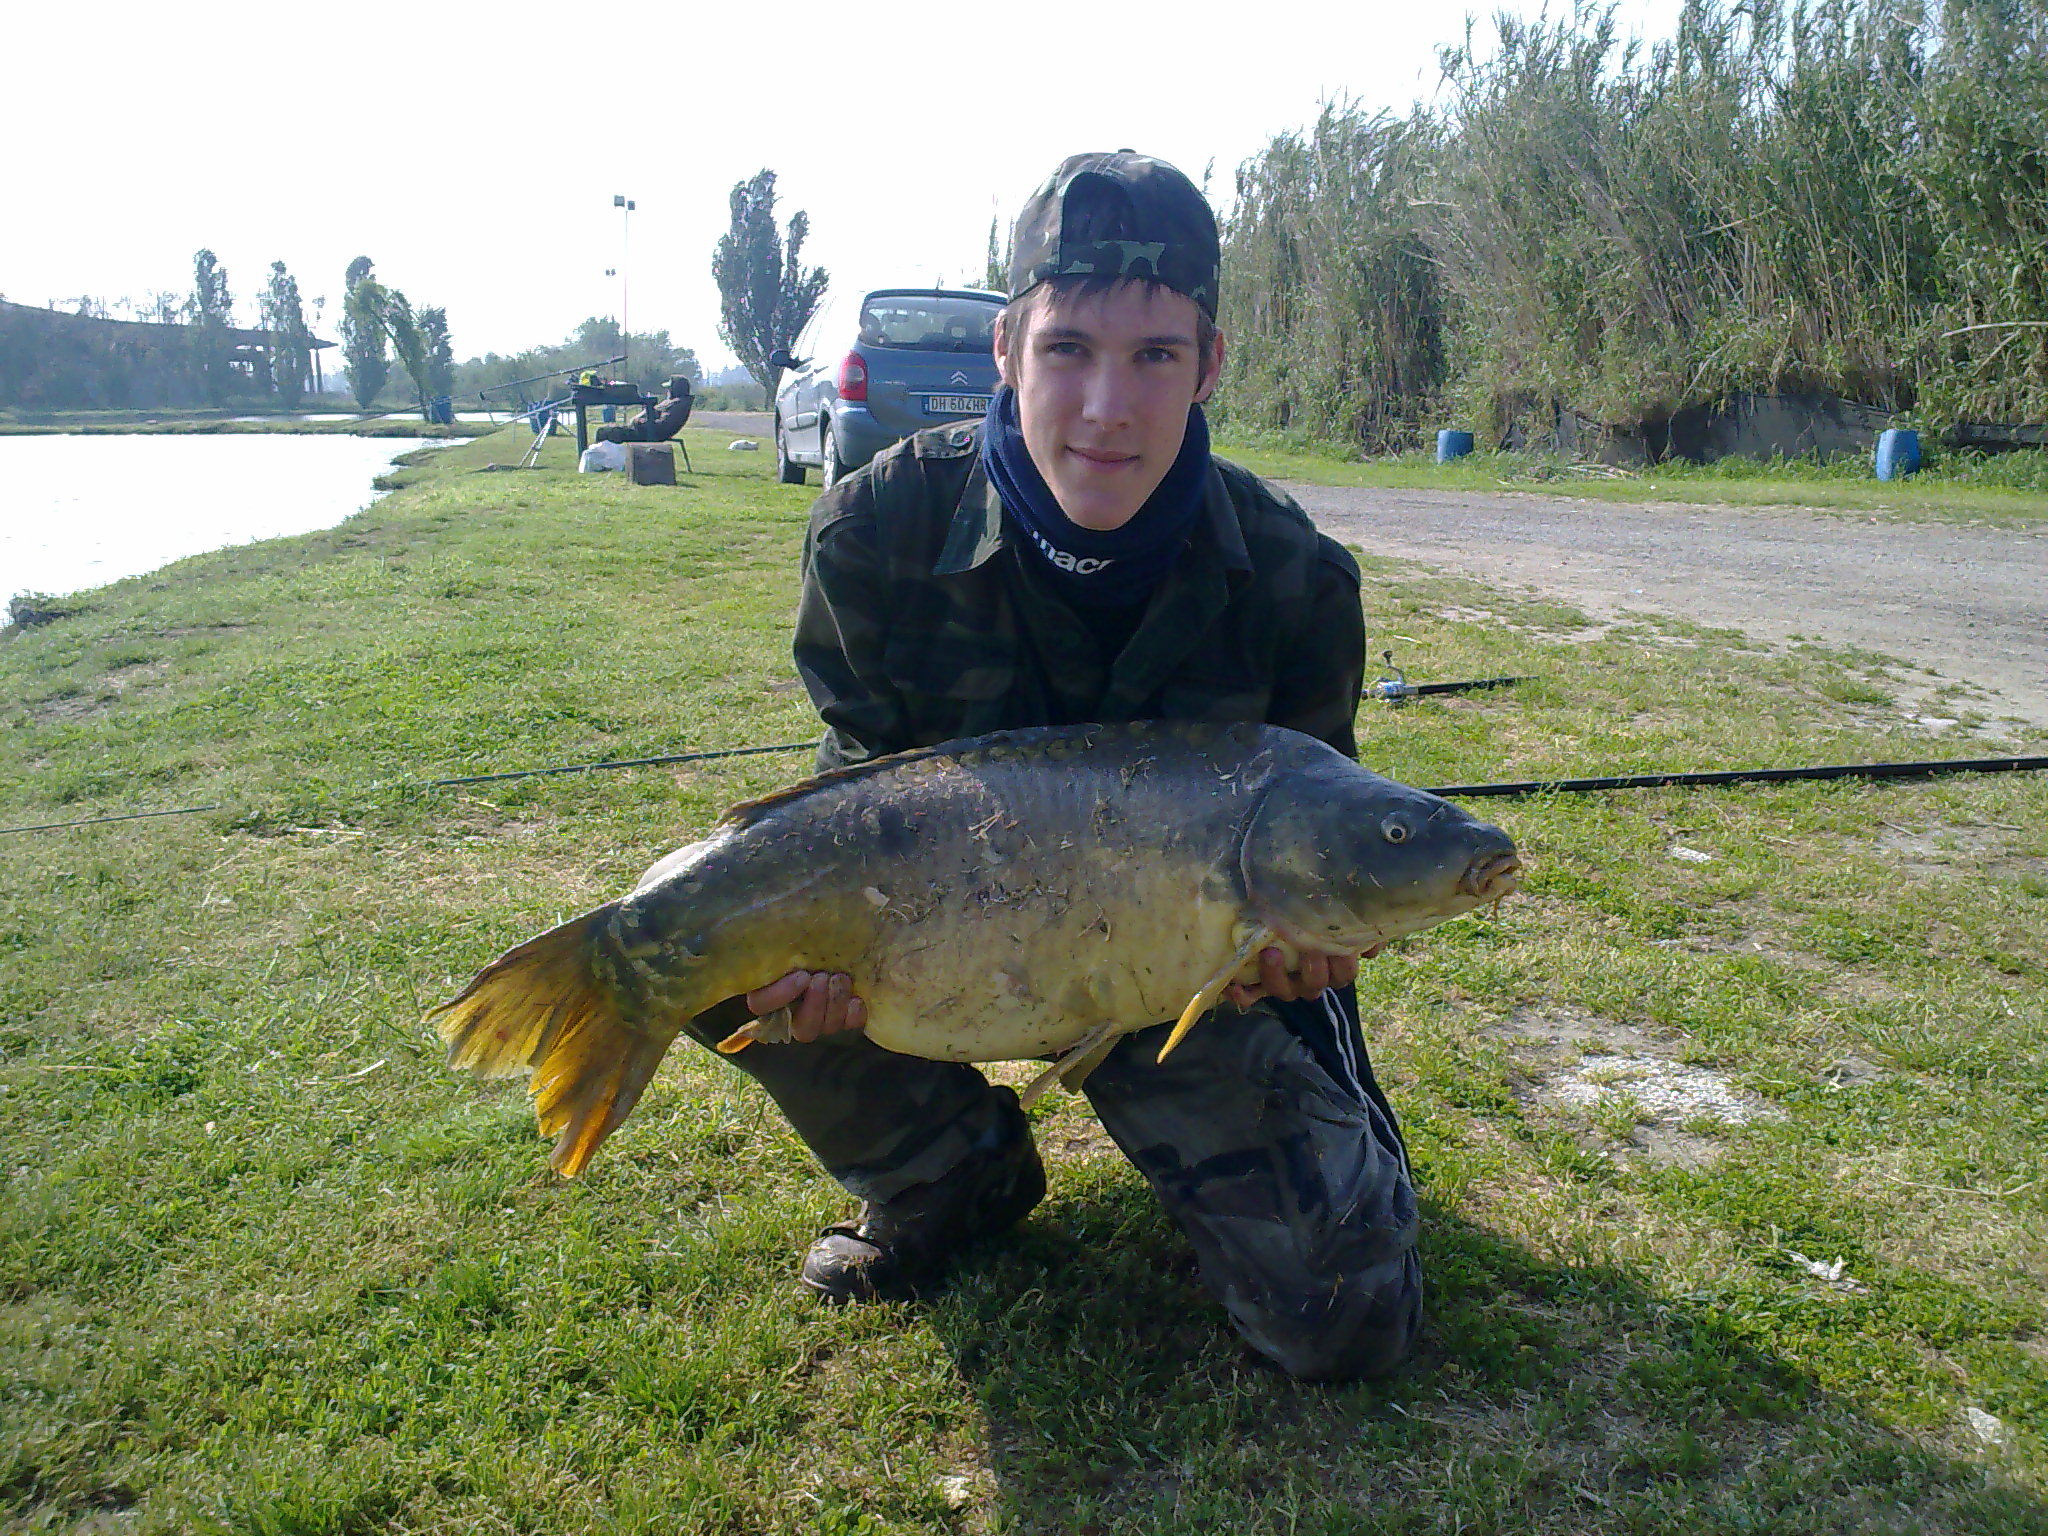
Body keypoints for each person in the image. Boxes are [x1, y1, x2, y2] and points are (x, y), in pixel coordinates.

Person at [682, 151, 1420, 1381]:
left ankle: (1326, 1169)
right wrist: (815, 967)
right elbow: (848, 807)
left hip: (1182, 976)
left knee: (1347, 1318)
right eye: (1067, 349)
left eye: (1154, 356)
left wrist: (1305, 948)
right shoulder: (874, 531)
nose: (1105, 407)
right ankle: (947, 1177)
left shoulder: (1295, 578)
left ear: (1209, 366)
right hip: (941, 948)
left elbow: (1325, 843)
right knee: (703, 933)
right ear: (1006, 349)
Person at [595, 375, 694, 445]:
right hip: (644, 430)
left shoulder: (678, 405)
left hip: (648, 433)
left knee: (605, 432)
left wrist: (638, 421)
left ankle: (603, 461)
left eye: (669, 388)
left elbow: (662, 426)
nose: (667, 391)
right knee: (606, 430)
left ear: (675, 389)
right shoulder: (675, 402)